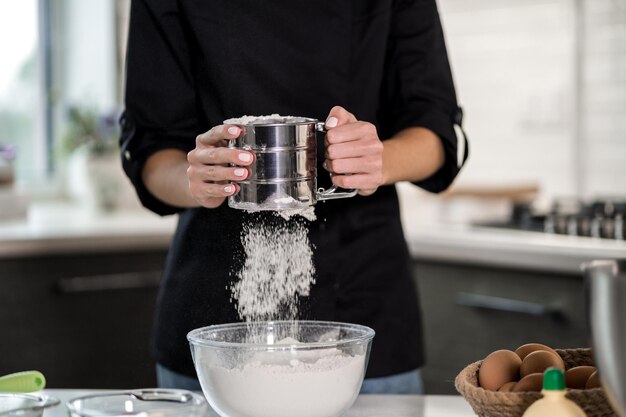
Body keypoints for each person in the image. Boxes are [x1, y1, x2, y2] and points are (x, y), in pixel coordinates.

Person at [120, 0, 468, 394]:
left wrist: (377, 160)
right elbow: (151, 148)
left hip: (360, 297)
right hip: (215, 312)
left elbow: (435, 129)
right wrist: (197, 179)